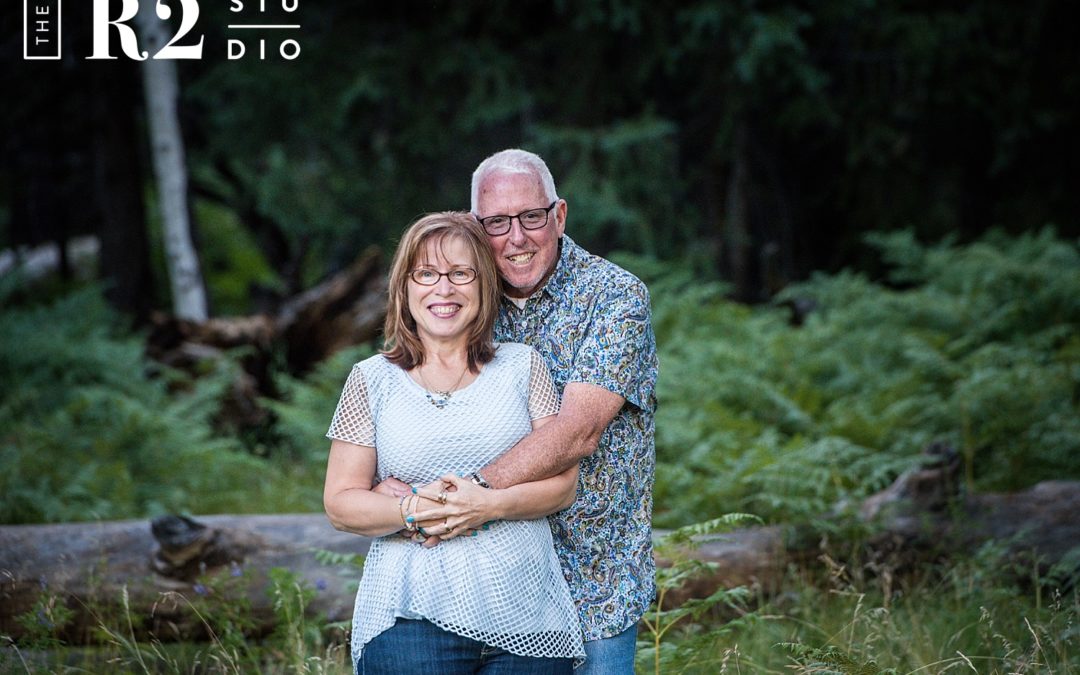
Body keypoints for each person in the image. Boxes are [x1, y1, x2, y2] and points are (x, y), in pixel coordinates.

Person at [395, 149, 659, 675]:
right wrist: (396, 488)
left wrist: (468, 492)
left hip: (592, 578)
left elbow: (579, 430)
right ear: (475, 226)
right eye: (496, 222)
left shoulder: (613, 297)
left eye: (531, 217)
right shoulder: (465, 302)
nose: (516, 238)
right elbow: (415, 406)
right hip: (491, 573)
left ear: (558, 216)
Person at [323, 211, 586, 674]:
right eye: (426, 273)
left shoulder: (524, 367)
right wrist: (413, 511)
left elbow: (563, 486)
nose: (443, 289)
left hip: (527, 617)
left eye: (460, 273)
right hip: (410, 619)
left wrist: (487, 506)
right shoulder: (371, 380)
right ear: (404, 286)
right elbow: (341, 503)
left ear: (483, 284)